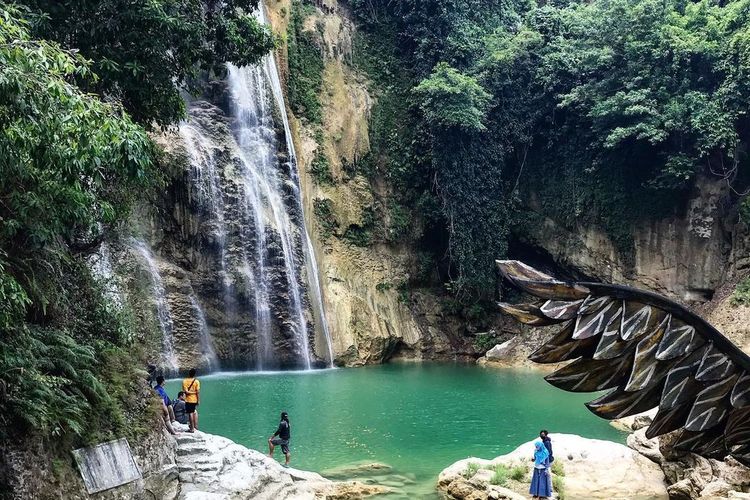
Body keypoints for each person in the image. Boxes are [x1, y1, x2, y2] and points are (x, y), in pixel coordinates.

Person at [182, 368, 200, 432]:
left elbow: (186, 392)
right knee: (193, 412)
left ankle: (192, 428)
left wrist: (191, 393)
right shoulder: (196, 381)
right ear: (194, 374)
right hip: (194, 400)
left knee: (190, 413)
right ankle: (194, 427)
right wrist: (198, 400)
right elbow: (197, 392)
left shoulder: (185, 381)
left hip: (188, 400)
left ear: (189, 373)